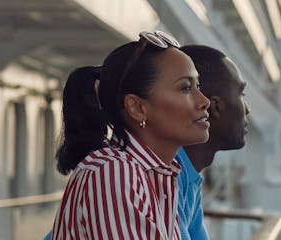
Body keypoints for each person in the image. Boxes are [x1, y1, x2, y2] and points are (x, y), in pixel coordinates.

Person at [49, 31, 210, 240]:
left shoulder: (157, 175)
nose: (204, 100)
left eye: (198, 86)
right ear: (137, 108)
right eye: (186, 88)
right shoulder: (111, 172)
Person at [173, 45, 250, 240]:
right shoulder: (170, 175)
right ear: (214, 106)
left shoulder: (188, 176)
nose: (247, 109)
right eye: (241, 94)